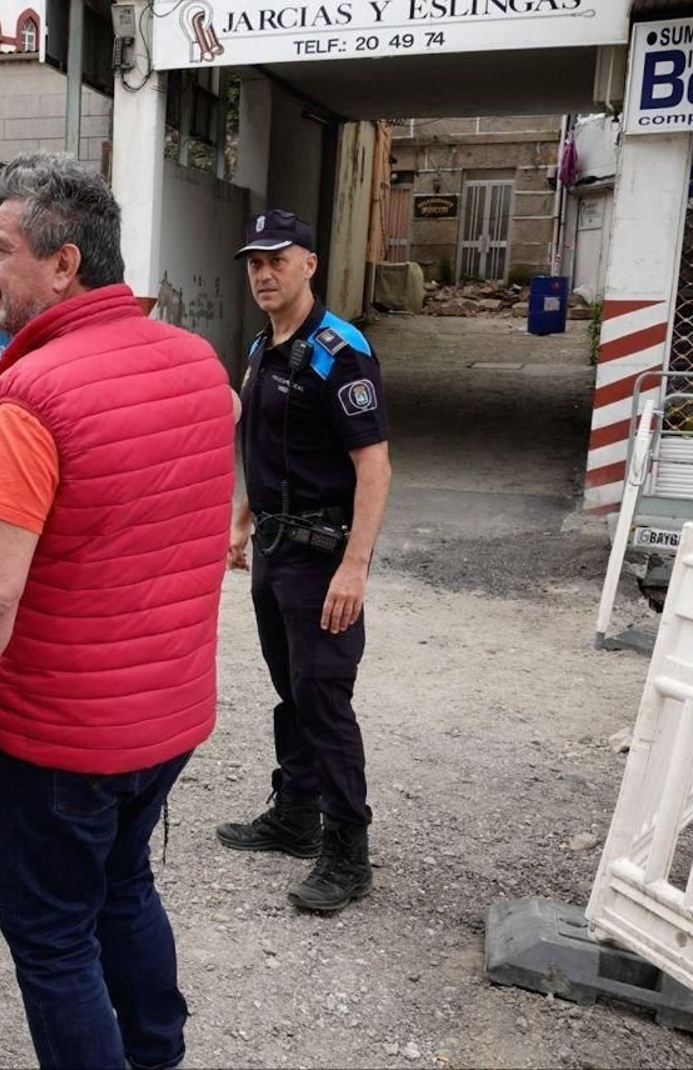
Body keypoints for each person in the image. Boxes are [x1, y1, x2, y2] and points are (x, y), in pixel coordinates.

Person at [0, 152, 237, 1069]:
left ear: (65, 265)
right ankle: (157, 1056)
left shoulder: (33, 397)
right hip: (167, 719)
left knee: (54, 935)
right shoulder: (196, 365)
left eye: (1, 248)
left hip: (63, 737)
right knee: (123, 888)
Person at [214, 208, 391, 914]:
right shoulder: (262, 350)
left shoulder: (338, 351)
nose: (263, 272)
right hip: (274, 550)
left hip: (323, 558)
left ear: (309, 265)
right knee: (292, 690)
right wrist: (243, 518)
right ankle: (295, 816)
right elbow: (267, 447)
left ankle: (349, 853)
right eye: (255, 261)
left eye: (277, 259)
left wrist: (356, 567)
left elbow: (374, 467)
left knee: (325, 699)